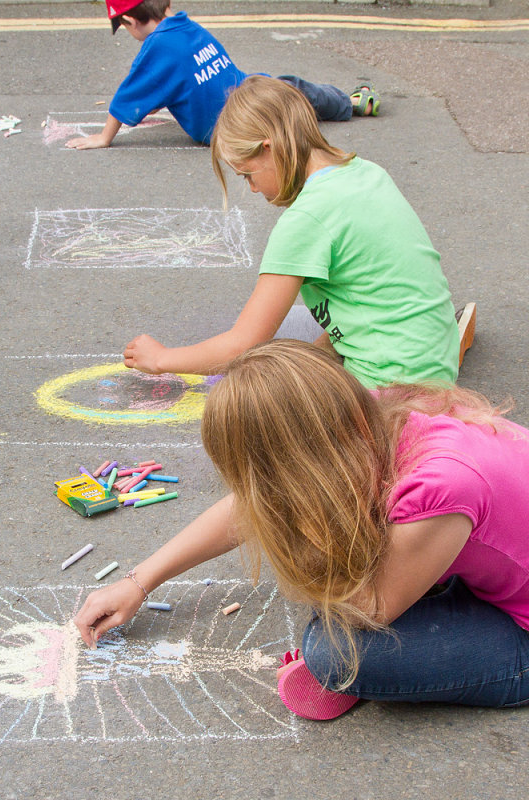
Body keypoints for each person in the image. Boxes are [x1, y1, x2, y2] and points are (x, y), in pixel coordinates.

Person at [74, 340, 529, 720]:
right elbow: (254, 501)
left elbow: (368, 608)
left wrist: (308, 535)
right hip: (485, 557)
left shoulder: (440, 486)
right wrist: (140, 580)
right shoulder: (356, 414)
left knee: (333, 653)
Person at [123, 75, 472, 388]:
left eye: (247, 174)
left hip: (390, 393)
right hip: (434, 368)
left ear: (269, 146)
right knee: (294, 340)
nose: (254, 189)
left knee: (254, 389)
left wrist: (162, 359)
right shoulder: (365, 171)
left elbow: (241, 345)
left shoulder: (306, 219)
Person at [66, 0, 377, 151]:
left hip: (230, 119)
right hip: (240, 106)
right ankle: (348, 103)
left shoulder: (156, 49)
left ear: (130, 21)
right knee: (291, 89)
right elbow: (162, 83)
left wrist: (104, 138)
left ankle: (297, 124)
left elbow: (128, 96)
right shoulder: (186, 26)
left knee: (286, 97)